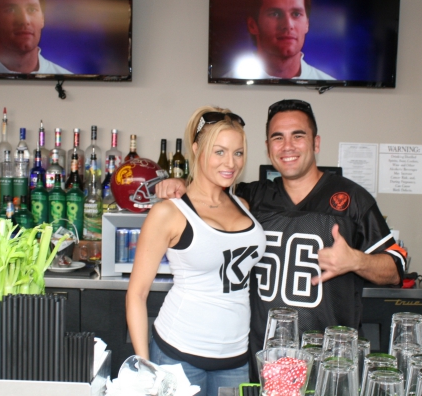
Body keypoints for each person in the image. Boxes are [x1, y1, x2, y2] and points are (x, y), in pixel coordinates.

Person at [156, 99, 406, 380]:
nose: (287, 146)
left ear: (316, 143)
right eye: (278, 138)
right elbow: (207, 191)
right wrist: (180, 185)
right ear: (268, 147)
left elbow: (396, 269)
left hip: (329, 364)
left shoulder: (352, 199)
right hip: (262, 362)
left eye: (298, 136)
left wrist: (356, 261)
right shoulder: (250, 198)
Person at [126, 107, 266, 396]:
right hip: (178, 354)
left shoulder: (243, 205)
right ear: (196, 149)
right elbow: (136, 294)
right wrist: (145, 368)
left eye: (238, 153)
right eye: (219, 152)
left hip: (236, 358)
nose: (230, 163)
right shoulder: (169, 212)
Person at [224, 0, 335, 80]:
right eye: (275, 14)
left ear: (307, 23)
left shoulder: (330, 86)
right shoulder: (227, 87)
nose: (288, 25)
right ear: (252, 25)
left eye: (296, 14)